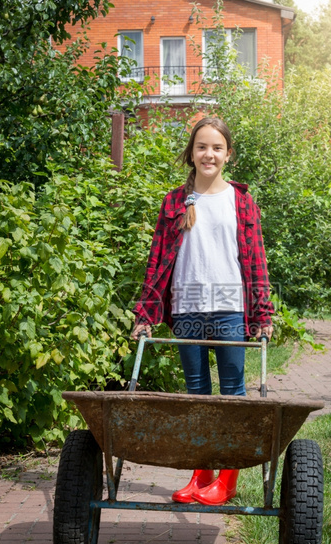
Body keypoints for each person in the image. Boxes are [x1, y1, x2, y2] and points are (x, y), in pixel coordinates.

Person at [132, 116, 274, 505]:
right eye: (201, 147)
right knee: (196, 395)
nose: (208, 154)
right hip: (187, 309)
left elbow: (256, 262)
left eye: (216, 147)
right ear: (190, 154)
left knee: (231, 394)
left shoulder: (241, 202)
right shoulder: (175, 201)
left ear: (228, 154)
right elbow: (158, 259)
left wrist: (262, 315)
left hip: (229, 309)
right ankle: (201, 473)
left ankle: (227, 480)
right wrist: (146, 313)